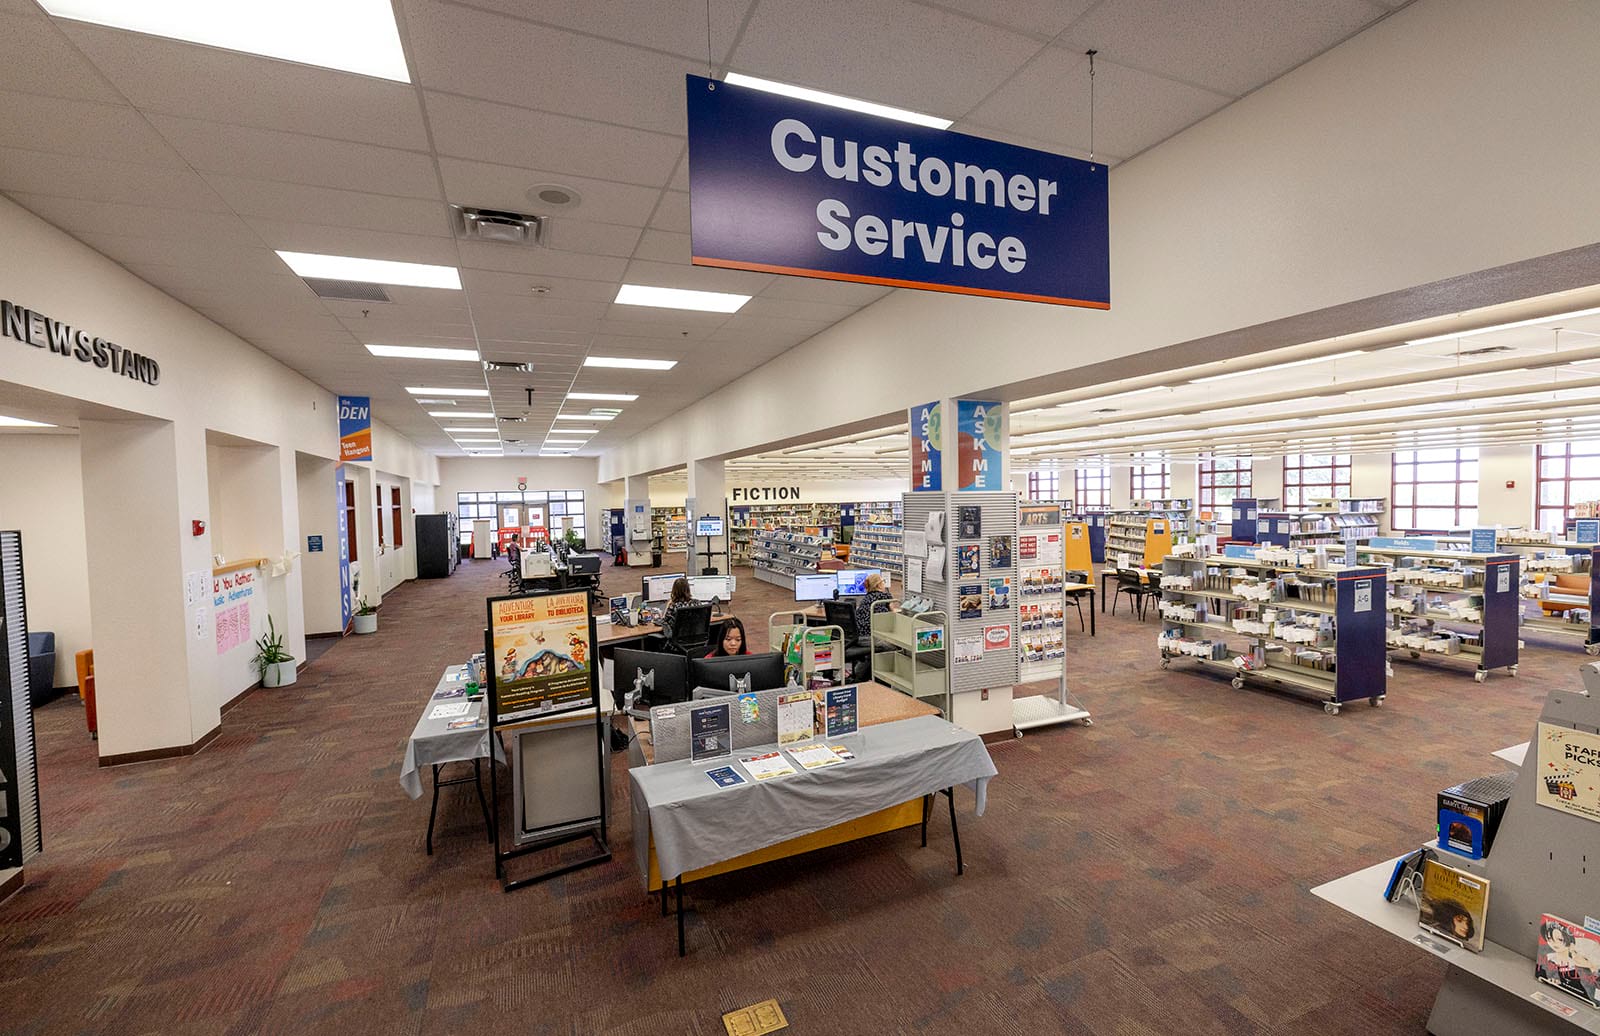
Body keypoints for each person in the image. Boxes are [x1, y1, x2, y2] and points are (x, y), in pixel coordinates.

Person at [853, 573, 893, 641]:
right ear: (878, 585)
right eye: (883, 581)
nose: (884, 584)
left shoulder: (865, 598)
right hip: (874, 639)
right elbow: (893, 614)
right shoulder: (886, 597)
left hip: (859, 637)